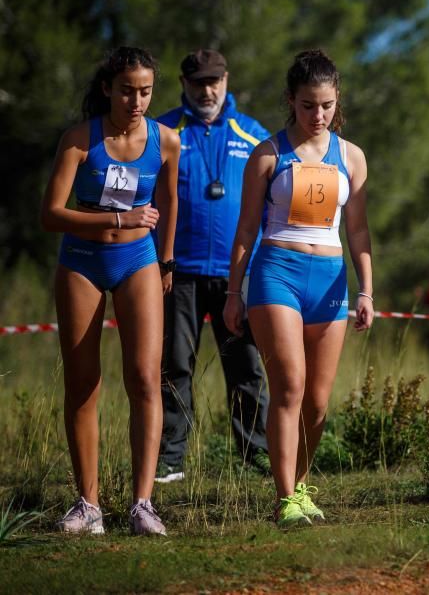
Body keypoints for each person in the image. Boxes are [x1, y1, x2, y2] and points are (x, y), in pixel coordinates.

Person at [223, 49, 374, 527]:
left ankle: (302, 486)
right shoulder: (267, 154)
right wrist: (234, 291)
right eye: (308, 105)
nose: (318, 115)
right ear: (291, 100)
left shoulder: (351, 156)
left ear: (337, 101)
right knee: (289, 386)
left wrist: (367, 290)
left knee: (318, 400)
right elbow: (246, 229)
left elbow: (358, 232)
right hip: (277, 274)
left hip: (330, 280)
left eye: (326, 105)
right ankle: (285, 497)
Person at [40, 46, 180, 535]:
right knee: (84, 385)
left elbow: (169, 198)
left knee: (144, 378)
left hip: (138, 260)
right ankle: (89, 506)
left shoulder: (166, 140)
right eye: (127, 91)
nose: (137, 101)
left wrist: (166, 260)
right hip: (81, 262)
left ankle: (144, 504)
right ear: (107, 89)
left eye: (145, 91)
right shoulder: (80, 139)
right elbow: (50, 214)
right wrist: (117, 217)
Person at [154, 49, 271, 483]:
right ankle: (170, 458)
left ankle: (254, 455)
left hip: (235, 275)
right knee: (175, 365)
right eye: (199, 82)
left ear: (226, 81)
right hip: (177, 272)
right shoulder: (164, 130)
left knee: (246, 367)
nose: (208, 90)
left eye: (214, 81)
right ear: (184, 84)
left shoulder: (254, 133)